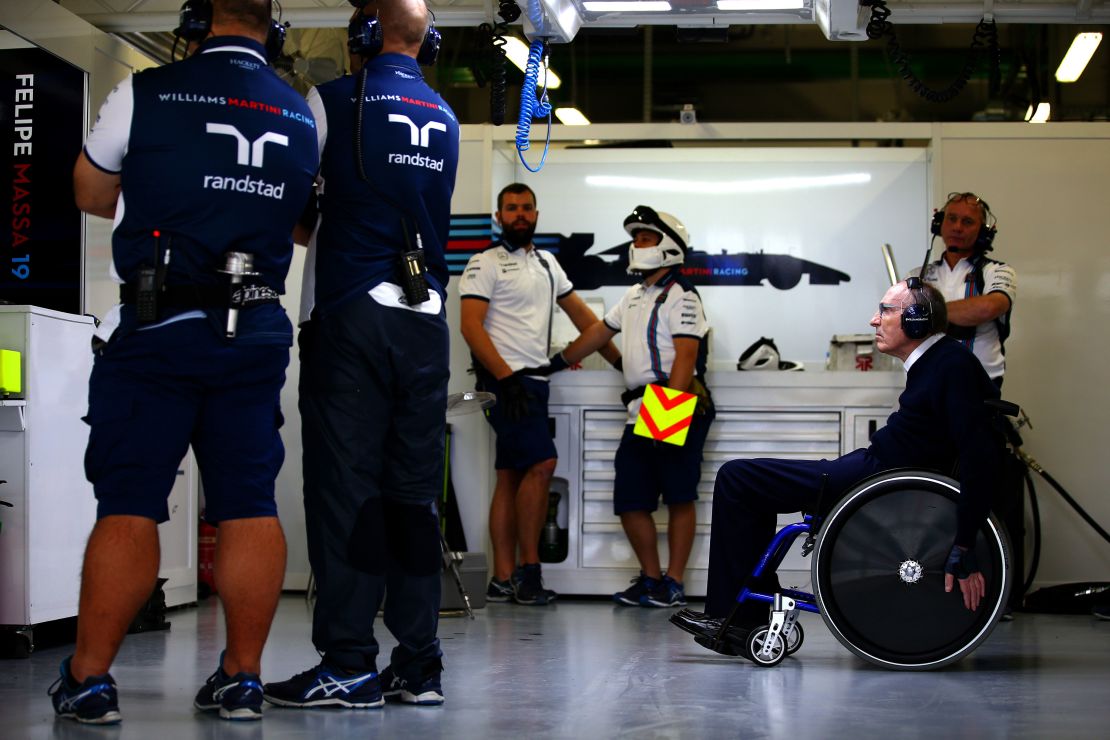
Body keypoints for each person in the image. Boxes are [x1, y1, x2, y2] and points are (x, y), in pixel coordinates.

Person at [51, 0, 318, 724]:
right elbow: (301, 225)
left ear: (196, 22)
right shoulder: (302, 116)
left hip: (157, 325)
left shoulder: (145, 90)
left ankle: (90, 680)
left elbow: (89, 191)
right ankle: (242, 678)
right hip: (256, 327)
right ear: (276, 31)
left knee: (130, 500)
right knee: (248, 502)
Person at [263, 0, 458, 710]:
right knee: (412, 498)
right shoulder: (445, 116)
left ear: (365, 37)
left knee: (346, 492)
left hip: (350, 314)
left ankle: (348, 661)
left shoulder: (331, 99)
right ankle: (419, 663)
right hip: (426, 318)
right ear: (425, 41)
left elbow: (294, 203)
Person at [671, 279, 1006, 650]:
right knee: (743, 482)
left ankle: (735, 618)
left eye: (886, 311)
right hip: (873, 471)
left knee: (737, 478)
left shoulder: (950, 364)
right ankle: (746, 612)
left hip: (877, 481)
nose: (874, 320)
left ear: (916, 321)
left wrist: (965, 542)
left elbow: (980, 454)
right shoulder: (937, 361)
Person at [546, 206, 714, 609]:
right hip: (640, 407)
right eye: (635, 238)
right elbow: (598, 333)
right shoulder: (634, 295)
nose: (636, 245)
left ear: (669, 246)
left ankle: (673, 583)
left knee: (678, 496)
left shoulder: (683, 296)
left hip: (676, 401)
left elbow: (686, 359)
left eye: (645, 237)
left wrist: (667, 418)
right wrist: (554, 363)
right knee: (631, 499)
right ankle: (651, 579)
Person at [460, 183, 619, 606]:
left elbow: (587, 319)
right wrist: (505, 378)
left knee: (511, 474)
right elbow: (471, 327)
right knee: (543, 462)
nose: (519, 214)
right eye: (511, 208)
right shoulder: (484, 262)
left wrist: (621, 362)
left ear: (536, 214)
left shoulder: (548, 264)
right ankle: (529, 573)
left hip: (534, 383)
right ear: (499, 217)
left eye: (526, 208)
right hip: (504, 384)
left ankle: (503, 578)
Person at [914, 191, 1016, 386]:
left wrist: (928, 312)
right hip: (926, 384)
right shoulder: (917, 275)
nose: (957, 227)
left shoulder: (997, 271)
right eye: (951, 219)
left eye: (967, 222)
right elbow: (902, 321)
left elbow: (988, 307)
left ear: (983, 233)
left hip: (978, 386)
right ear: (939, 223)